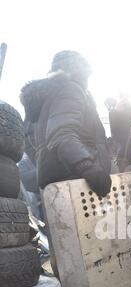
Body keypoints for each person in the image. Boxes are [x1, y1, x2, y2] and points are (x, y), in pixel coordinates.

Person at [20, 50, 111, 197]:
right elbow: (61, 134)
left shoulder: (45, 98)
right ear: (80, 72)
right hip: (81, 181)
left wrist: (47, 162)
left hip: (57, 185)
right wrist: (88, 167)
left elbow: (29, 139)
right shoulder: (71, 89)